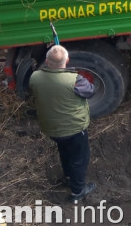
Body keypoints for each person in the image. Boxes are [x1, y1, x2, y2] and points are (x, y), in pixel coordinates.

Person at [29, 45, 97, 202]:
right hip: (74, 129)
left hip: (51, 129)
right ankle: (77, 192)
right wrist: (72, 73)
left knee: (64, 151)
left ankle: (67, 176)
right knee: (79, 159)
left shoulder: (35, 77)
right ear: (67, 60)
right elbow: (90, 91)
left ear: (46, 61)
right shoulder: (75, 80)